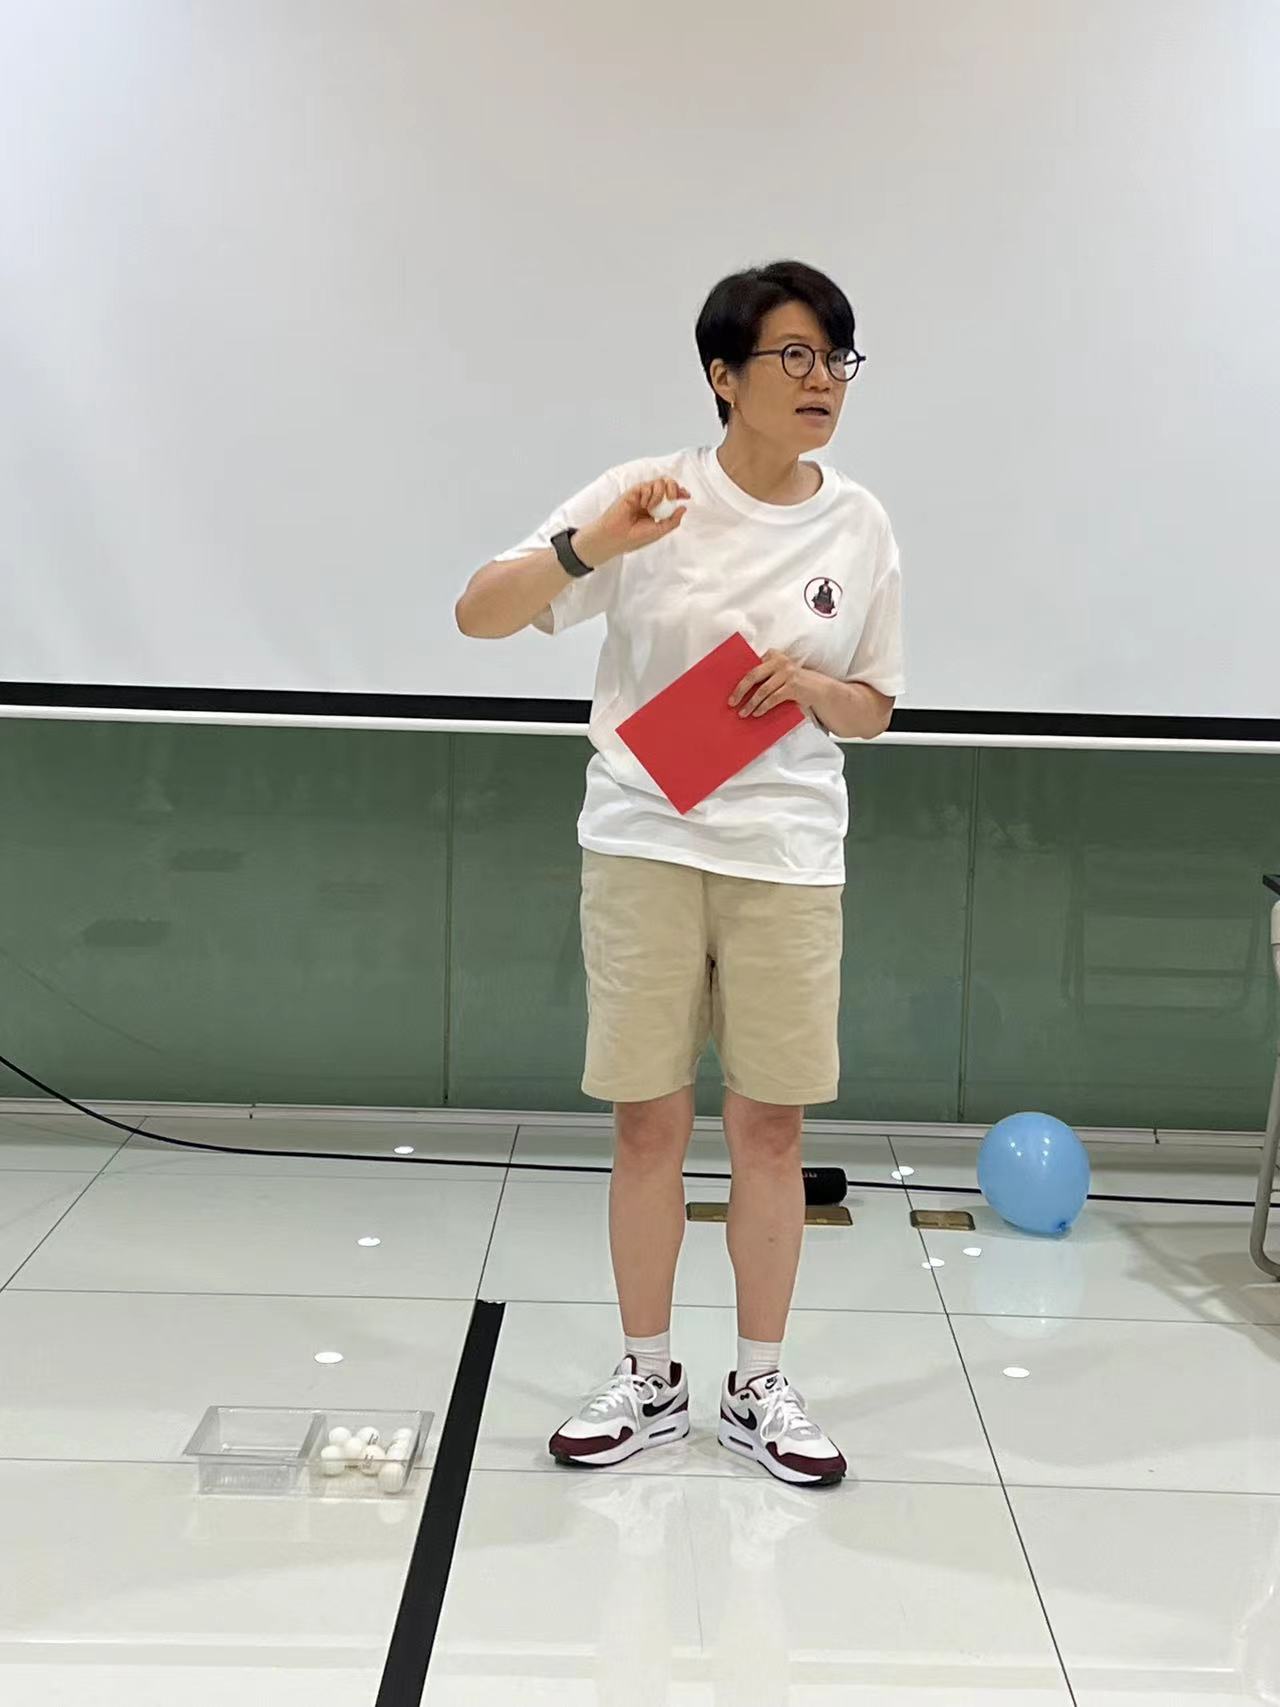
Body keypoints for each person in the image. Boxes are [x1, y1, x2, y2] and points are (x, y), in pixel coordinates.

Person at [455, 259, 905, 1487]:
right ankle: (647, 1378)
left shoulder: (857, 524)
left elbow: (872, 707)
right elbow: (478, 613)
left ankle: (757, 1383)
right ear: (722, 376)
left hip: (787, 855)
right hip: (644, 842)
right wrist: (587, 546)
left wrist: (808, 686)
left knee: (771, 1126)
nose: (821, 381)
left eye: (835, 359)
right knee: (646, 1121)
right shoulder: (645, 496)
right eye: (792, 356)